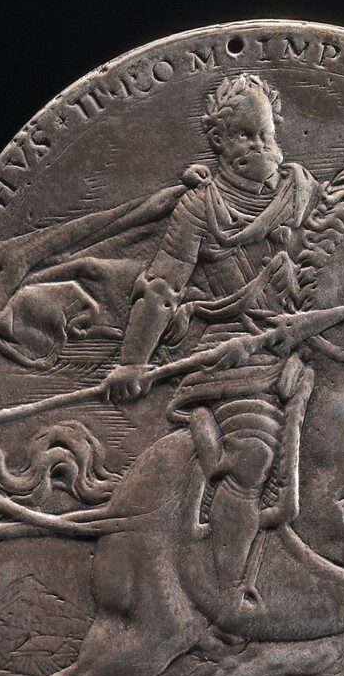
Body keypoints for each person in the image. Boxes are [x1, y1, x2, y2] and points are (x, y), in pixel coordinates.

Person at [107, 73, 321, 605]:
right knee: (251, 457)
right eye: (245, 136)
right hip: (233, 347)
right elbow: (162, 287)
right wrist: (133, 360)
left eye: (266, 135)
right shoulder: (199, 208)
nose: (260, 147)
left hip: (308, 338)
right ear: (219, 141)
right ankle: (227, 592)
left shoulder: (301, 192)